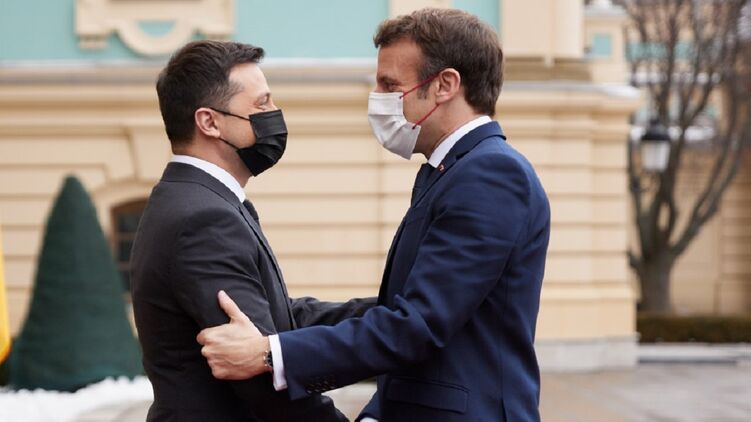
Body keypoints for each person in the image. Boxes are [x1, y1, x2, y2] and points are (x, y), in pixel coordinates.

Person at [198, 8, 551, 422]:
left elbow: (418, 325)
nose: (378, 97)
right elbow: (412, 317)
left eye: (390, 85)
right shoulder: (451, 171)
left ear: (445, 85)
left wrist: (268, 354)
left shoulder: (489, 173)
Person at [130, 40, 374, 422]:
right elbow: (260, 377)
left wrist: (393, 315)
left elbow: (278, 321)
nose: (274, 114)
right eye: (262, 104)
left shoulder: (199, 200)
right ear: (209, 122)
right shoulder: (203, 218)